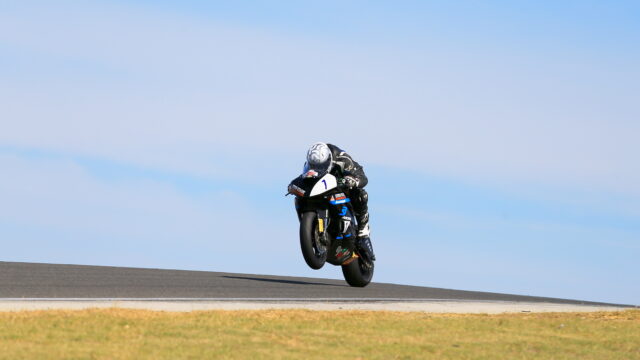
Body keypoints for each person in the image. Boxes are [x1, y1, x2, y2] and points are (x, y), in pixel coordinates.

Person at [304, 142, 375, 261]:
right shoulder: (312, 162)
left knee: (361, 195)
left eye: (321, 166)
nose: (317, 168)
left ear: (328, 160)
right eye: (314, 166)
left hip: (342, 187)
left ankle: (363, 232)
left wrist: (354, 180)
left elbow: (362, 177)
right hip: (322, 189)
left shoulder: (342, 158)